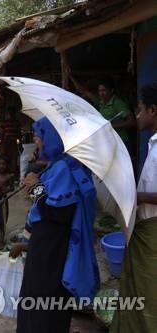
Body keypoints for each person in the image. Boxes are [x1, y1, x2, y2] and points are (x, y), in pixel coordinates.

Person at [18, 117, 99, 333]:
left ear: (52, 138)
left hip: (53, 250)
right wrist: (35, 185)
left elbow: (57, 213)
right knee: (34, 300)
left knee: (45, 305)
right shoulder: (55, 166)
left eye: (39, 137)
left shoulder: (65, 168)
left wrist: (35, 188)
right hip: (44, 246)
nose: (36, 142)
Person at [111, 84, 157, 332]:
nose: (136, 115)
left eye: (140, 110)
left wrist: (133, 195)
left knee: (149, 296)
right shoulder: (153, 144)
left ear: (153, 110)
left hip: (152, 233)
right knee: (141, 293)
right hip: (145, 232)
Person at [69, 74, 135, 149]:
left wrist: (112, 126)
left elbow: (132, 122)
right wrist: (70, 76)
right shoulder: (101, 101)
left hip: (121, 141)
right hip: (108, 141)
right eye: (100, 91)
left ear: (112, 91)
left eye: (104, 90)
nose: (101, 93)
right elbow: (83, 91)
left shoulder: (118, 103)